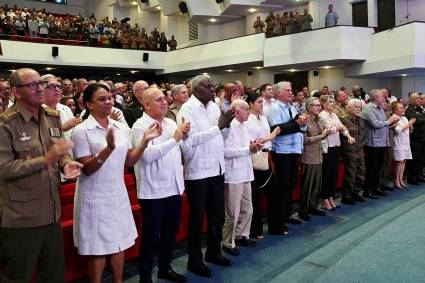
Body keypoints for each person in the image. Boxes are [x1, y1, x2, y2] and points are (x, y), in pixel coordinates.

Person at [0, 68, 83, 283]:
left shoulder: (52, 117)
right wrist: (46, 159)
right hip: (21, 217)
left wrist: (66, 163)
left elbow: (59, 151)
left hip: (51, 211)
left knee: (53, 275)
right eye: (32, 85)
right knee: (18, 277)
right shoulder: (5, 124)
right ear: (16, 92)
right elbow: (3, 168)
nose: (40, 88)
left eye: (41, 84)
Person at [71, 83, 159, 283]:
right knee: (98, 248)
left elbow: (129, 160)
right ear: (88, 104)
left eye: (109, 97)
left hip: (117, 193)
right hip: (94, 195)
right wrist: (108, 149)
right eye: (102, 99)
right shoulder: (81, 130)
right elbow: (87, 169)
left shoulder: (120, 126)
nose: (108, 101)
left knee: (119, 242)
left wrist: (144, 141)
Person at [177, 74, 234, 278]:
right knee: (197, 219)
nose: (212, 90)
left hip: (217, 168)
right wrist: (217, 127)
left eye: (212, 86)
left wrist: (226, 126)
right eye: (208, 87)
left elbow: (222, 137)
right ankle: (194, 260)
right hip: (198, 171)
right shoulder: (187, 109)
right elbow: (189, 143)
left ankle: (213, 252)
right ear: (195, 90)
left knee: (216, 215)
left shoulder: (213, 106)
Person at [132, 88, 189, 283]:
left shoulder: (171, 122)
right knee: (150, 236)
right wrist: (174, 139)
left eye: (165, 99)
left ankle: (165, 267)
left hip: (173, 187)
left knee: (170, 231)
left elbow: (178, 150)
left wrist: (183, 136)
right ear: (146, 104)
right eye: (159, 100)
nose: (164, 102)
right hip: (152, 191)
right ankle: (145, 276)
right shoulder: (140, 126)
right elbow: (147, 156)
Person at [267, 81, 309, 232]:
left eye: (291, 90)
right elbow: (278, 129)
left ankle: (287, 214)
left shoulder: (292, 107)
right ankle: (280, 217)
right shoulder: (274, 108)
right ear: (278, 93)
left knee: (291, 184)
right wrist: (297, 124)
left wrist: (302, 124)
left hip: (295, 149)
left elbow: (301, 127)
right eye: (288, 90)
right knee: (283, 186)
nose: (291, 93)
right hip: (282, 151)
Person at [222, 99, 262, 256]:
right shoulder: (229, 127)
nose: (249, 112)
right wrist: (248, 148)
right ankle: (228, 242)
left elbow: (246, 148)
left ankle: (241, 235)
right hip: (233, 174)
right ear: (236, 111)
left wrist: (254, 147)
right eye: (246, 109)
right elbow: (226, 152)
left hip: (246, 172)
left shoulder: (244, 126)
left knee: (248, 209)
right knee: (232, 213)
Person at [245, 92, 280, 239]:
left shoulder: (264, 118)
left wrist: (269, 139)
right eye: (259, 102)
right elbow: (254, 141)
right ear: (251, 104)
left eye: (262, 102)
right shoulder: (247, 120)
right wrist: (270, 136)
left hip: (266, 157)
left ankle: (275, 226)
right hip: (253, 159)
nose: (261, 104)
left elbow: (265, 140)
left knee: (274, 194)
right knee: (255, 197)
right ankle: (255, 230)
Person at [318, 95, 355, 210]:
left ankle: (330, 196)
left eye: (332, 102)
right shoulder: (321, 115)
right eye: (329, 102)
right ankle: (324, 197)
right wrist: (338, 127)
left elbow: (343, 128)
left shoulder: (334, 114)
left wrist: (348, 136)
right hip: (327, 147)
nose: (332, 104)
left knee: (334, 173)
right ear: (323, 103)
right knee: (327, 174)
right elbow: (329, 128)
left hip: (336, 145)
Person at [362, 89, 400, 198]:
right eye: (381, 97)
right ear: (375, 98)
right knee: (371, 168)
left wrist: (391, 124)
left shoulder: (380, 108)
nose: (384, 98)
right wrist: (390, 120)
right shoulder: (368, 108)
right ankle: (367, 191)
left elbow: (383, 124)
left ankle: (375, 188)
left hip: (383, 142)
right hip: (372, 144)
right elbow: (375, 124)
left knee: (379, 167)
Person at [299, 97, 329, 221]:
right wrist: (321, 136)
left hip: (318, 155)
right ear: (309, 107)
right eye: (316, 105)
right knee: (307, 185)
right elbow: (305, 140)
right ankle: (303, 210)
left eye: (319, 105)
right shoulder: (303, 119)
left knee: (317, 184)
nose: (319, 107)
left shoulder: (318, 119)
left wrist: (326, 132)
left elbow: (321, 134)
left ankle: (313, 206)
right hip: (308, 156)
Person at [340, 99, 366, 204]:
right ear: (349, 108)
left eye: (359, 107)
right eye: (356, 107)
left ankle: (356, 193)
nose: (358, 109)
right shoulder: (343, 119)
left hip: (359, 149)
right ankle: (347, 196)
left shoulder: (360, 119)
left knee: (361, 173)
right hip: (349, 150)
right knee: (351, 174)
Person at [41, 74, 81, 140]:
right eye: (52, 86)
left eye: (59, 86)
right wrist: (61, 128)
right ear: (42, 89)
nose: (57, 89)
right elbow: (40, 135)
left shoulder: (65, 109)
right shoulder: (37, 111)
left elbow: (73, 133)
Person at [392, 101, 415, 189]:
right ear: (395, 110)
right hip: (398, 142)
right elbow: (397, 131)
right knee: (399, 162)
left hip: (406, 142)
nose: (403, 109)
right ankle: (396, 180)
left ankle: (401, 179)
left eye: (403, 107)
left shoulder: (404, 118)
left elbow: (409, 130)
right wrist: (409, 124)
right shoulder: (393, 118)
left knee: (404, 161)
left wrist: (411, 127)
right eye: (400, 108)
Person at [404, 93, 425, 185]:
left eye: (420, 98)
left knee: (421, 158)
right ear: (412, 100)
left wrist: (420, 118)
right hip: (415, 138)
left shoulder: (420, 109)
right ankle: (412, 177)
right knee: (414, 158)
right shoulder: (409, 109)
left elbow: (420, 119)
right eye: (417, 98)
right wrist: (420, 118)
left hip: (423, 137)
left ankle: (419, 176)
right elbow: (416, 121)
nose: (419, 99)